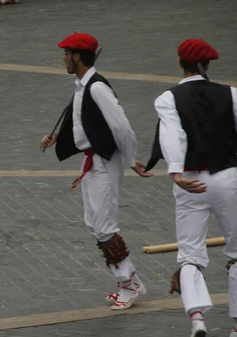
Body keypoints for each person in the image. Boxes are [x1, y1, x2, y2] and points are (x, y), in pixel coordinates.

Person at [41, 33, 152, 310]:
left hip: (103, 161)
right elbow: (79, 118)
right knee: (94, 224)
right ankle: (128, 280)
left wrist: (129, 159)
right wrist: (58, 137)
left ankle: (130, 284)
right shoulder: (83, 85)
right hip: (91, 161)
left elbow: (122, 127)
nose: (63, 57)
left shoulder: (97, 87)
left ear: (77, 56)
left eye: (66, 53)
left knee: (104, 227)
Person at [145, 38, 237, 337]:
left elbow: (172, 134)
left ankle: (197, 316)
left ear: (180, 64)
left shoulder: (167, 98)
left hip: (189, 181)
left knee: (189, 255)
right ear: (207, 65)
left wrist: (175, 171)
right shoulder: (232, 94)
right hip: (226, 177)